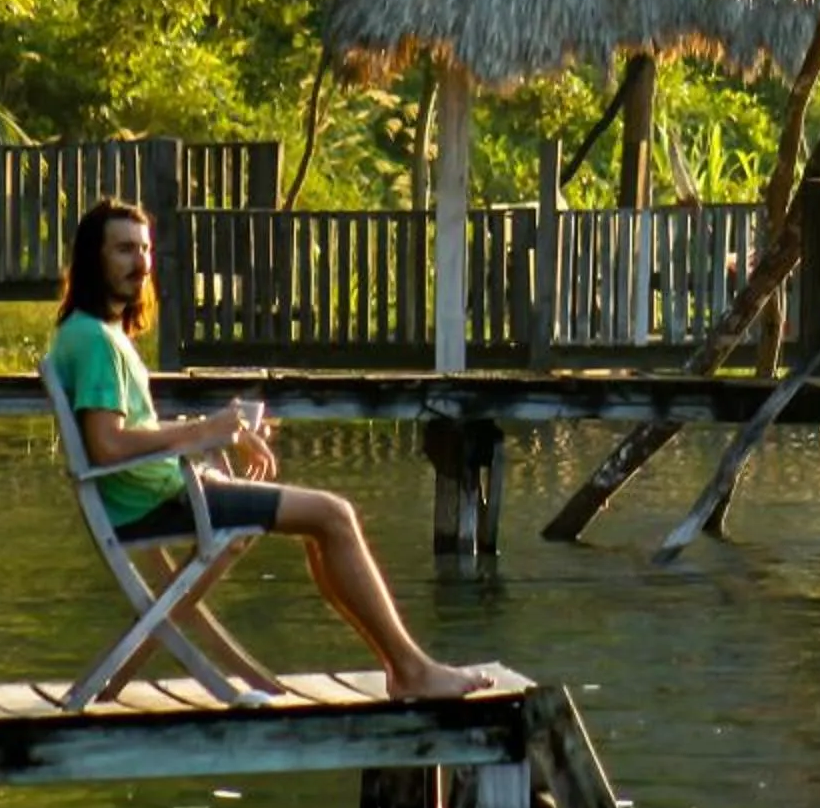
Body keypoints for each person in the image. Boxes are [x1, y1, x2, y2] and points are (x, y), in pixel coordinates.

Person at [45, 197, 489, 701]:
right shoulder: (95, 342)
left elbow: (130, 431)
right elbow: (107, 446)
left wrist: (216, 428)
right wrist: (203, 432)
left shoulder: (91, 334)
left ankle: (403, 666)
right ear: (92, 259)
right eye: (124, 250)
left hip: (161, 492)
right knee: (333, 515)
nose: (141, 262)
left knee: (321, 525)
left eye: (145, 249)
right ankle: (410, 669)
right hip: (158, 502)